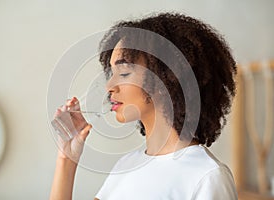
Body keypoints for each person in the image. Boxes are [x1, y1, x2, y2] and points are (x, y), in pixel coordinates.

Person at [50, 12, 238, 200]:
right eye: (111, 73)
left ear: (167, 77)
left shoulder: (207, 176)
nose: (109, 86)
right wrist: (66, 158)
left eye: (123, 73)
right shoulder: (127, 165)